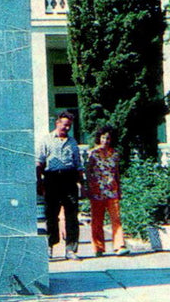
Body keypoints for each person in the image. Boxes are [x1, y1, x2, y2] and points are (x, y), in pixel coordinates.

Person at [36, 111, 85, 260]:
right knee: (51, 215)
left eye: (69, 126)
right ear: (57, 123)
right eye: (64, 125)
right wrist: (39, 182)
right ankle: (50, 246)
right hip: (52, 179)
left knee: (71, 215)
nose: (66, 128)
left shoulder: (72, 142)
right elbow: (39, 162)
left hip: (69, 179)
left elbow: (78, 164)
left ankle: (70, 249)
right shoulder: (46, 140)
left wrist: (82, 183)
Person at [86, 125, 129, 257]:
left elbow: (116, 172)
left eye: (108, 138)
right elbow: (88, 171)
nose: (106, 141)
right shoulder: (92, 153)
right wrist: (88, 188)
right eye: (103, 138)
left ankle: (119, 246)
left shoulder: (115, 154)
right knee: (97, 220)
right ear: (99, 138)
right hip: (97, 190)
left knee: (116, 218)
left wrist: (119, 188)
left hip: (112, 190)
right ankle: (98, 248)